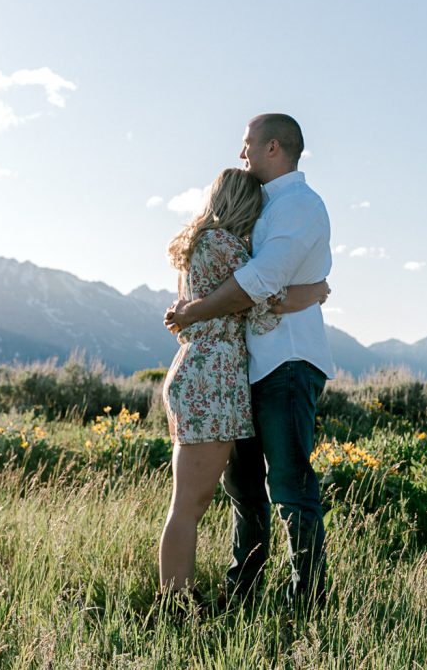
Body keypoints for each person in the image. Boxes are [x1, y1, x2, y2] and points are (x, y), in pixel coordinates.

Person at [164, 113, 335, 612]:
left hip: (285, 363)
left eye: (248, 145)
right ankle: (244, 592)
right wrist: (306, 292)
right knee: (244, 491)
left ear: (274, 148)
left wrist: (194, 309)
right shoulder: (263, 210)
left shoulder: (299, 206)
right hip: (241, 374)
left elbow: (261, 280)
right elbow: (262, 287)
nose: (243, 154)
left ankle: (308, 597)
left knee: (288, 483)